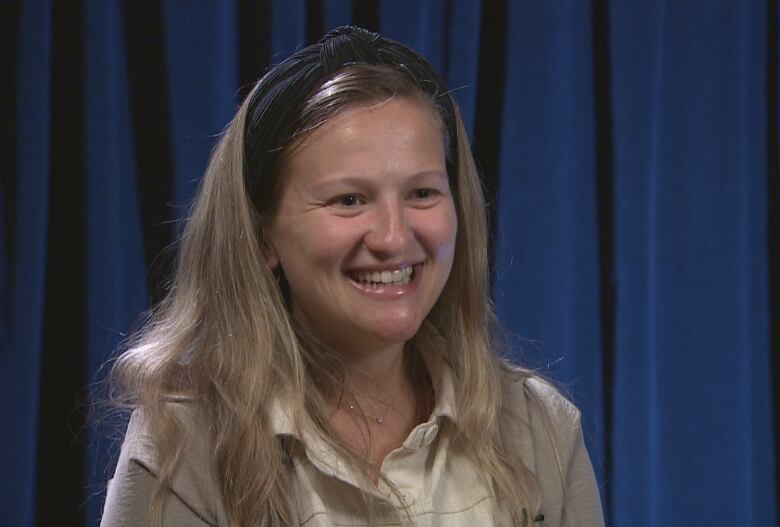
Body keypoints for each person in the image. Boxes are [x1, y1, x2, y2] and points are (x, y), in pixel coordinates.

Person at [100, 26, 604, 527]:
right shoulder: (182, 445)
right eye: (349, 200)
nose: (393, 237)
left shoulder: (538, 430)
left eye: (422, 193)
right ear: (262, 237)